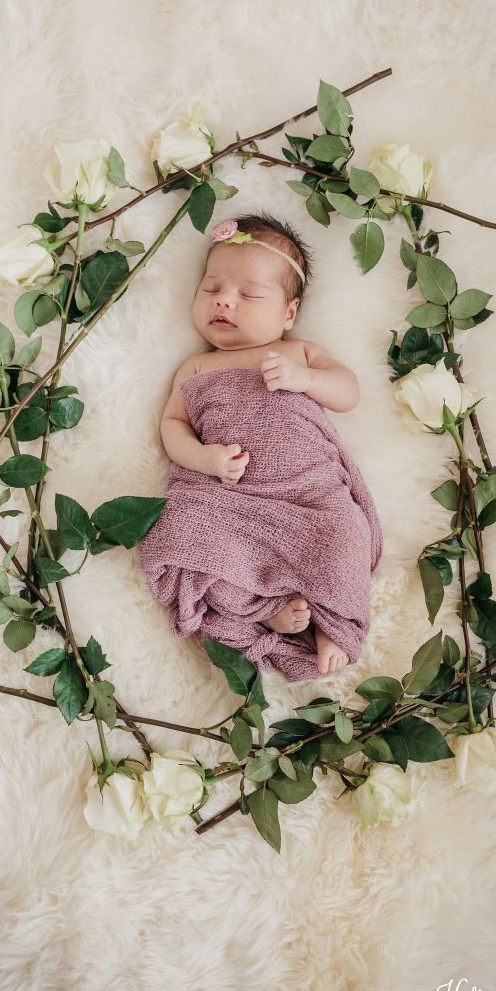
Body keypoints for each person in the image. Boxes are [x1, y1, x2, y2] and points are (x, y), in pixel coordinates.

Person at [138, 212, 383, 682]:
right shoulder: (195, 368)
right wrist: (205, 459)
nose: (225, 302)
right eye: (212, 289)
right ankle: (261, 610)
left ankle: (333, 624)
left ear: (287, 313)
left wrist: (306, 379)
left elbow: (348, 392)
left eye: (249, 295)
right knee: (181, 528)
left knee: (346, 534)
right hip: (230, 501)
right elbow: (172, 427)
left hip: (309, 498)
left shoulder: (299, 352)